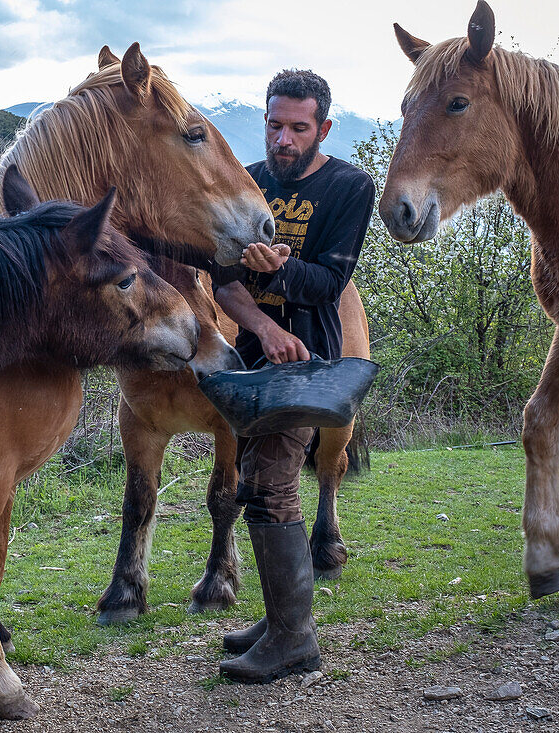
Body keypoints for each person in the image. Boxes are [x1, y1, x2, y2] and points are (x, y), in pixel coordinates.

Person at [210, 69, 375, 683]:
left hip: (313, 362)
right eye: (275, 125)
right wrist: (265, 325)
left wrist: (278, 275)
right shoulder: (249, 182)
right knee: (255, 480)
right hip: (256, 358)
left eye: (297, 128)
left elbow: (329, 283)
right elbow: (224, 281)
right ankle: (279, 618)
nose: (283, 139)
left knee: (274, 480)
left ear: (322, 128)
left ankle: (294, 639)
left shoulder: (348, 187)